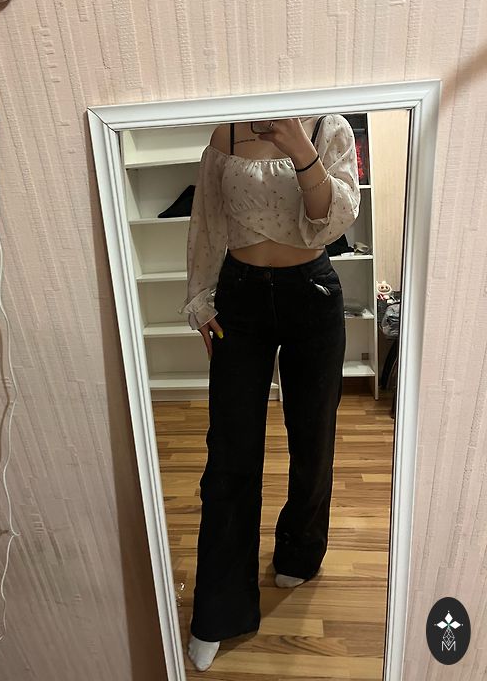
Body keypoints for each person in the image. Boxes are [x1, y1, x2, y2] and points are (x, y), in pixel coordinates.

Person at [178, 115, 361, 672]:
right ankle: (218, 609)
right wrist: (201, 298)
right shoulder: (225, 134)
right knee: (228, 455)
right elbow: (207, 220)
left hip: (313, 293)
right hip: (240, 298)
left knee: (313, 440)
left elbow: (333, 221)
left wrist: (299, 146)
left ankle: (299, 551)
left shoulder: (328, 126)